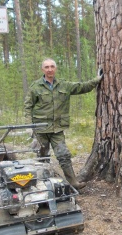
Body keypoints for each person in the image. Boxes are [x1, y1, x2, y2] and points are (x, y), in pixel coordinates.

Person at [24, 58, 104, 190]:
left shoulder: (63, 85)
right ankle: (44, 184)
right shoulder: (35, 87)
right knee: (42, 158)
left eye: (52, 67)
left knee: (64, 155)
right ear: (42, 69)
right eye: (47, 67)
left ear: (55, 69)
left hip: (57, 129)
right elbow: (28, 107)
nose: (49, 69)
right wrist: (29, 127)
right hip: (40, 129)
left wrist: (97, 79)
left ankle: (73, 183)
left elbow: (82, 87)